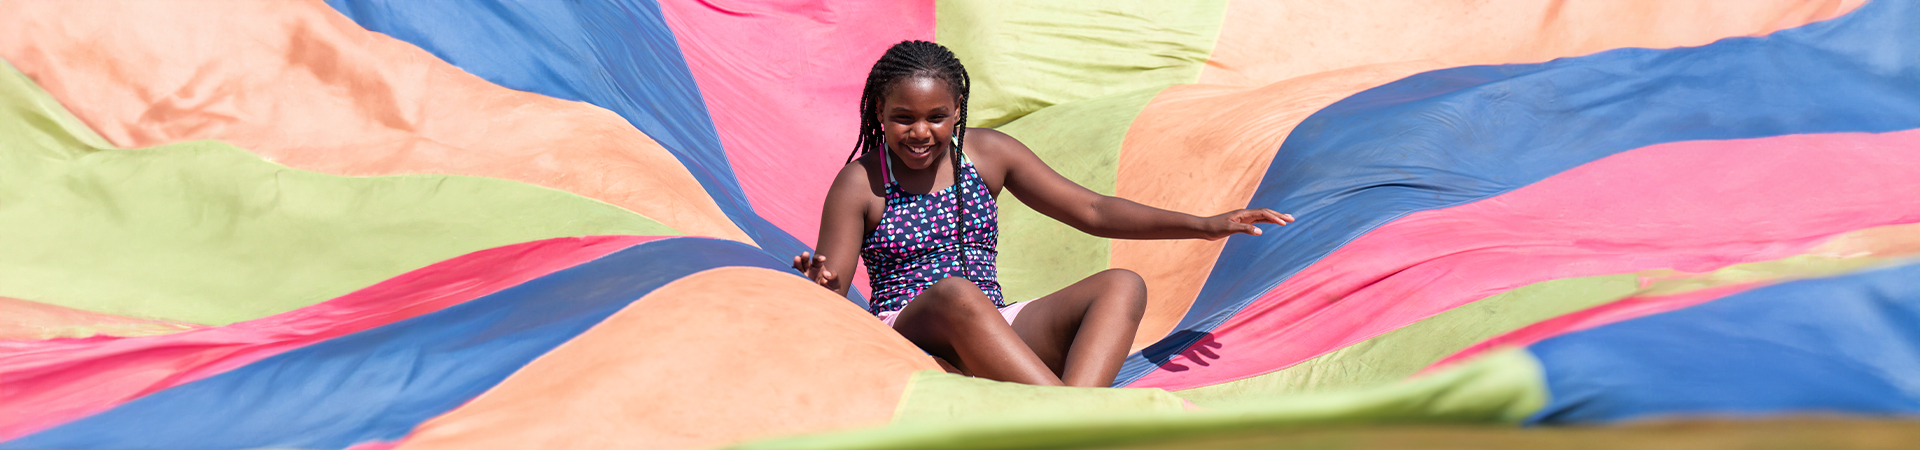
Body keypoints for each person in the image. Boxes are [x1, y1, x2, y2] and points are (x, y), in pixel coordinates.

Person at [792, 40, 1293, 387]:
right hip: (913, 328)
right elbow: (833, 289)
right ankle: (1065, 418)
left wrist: (1203, 225)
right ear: (879, 111)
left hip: (995, 325)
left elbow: (1093, 209)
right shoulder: (861, 182)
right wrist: (820, 280)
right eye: (903, 118)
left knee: (1123, 284)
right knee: (954, 292)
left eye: (935, 117)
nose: (919, 132)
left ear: (958, 110)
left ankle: (1074, 409)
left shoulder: (989, 155)